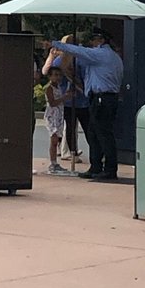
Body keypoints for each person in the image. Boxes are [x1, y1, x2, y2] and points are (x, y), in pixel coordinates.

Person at [50, 28, 124, 181]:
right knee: (94, 133)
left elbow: (79, 51)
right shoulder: (114, 57)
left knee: (103, 134)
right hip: (106, 98)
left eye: (95, 39)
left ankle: (109, 169)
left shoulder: (100, 54)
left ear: (101, 40)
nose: (92, 43)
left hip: (101, 98)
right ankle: (96, 166)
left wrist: (57, 44)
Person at [41, 35, 89, 164]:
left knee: (70, 129)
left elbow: (46, 71)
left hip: (68, 102)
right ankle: (69, 154)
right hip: (76, 100)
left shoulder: (60, 61)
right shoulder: (81, 60)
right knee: (79, 129)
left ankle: (71, 153)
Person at [43, 66, 70, 175]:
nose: (58, 77)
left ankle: (55, 162)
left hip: (59, 116)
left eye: (59, 75)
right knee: (54, 140)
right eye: (55, 75)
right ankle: (53, 163)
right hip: (52, 116)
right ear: (50, 76)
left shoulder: (58, 87)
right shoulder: (49, 88)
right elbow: (52, 102)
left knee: (57, 139)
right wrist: (64, 98)